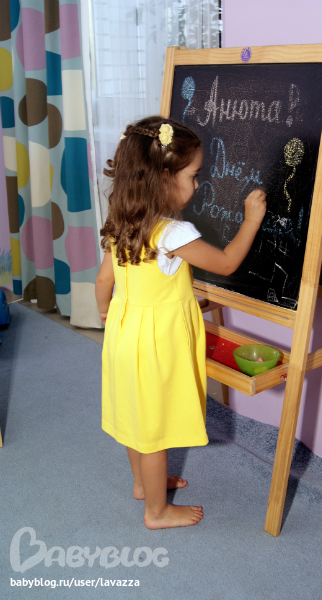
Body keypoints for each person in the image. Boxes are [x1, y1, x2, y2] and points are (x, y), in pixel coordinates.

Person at [95, 116, 266, 530]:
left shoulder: (123, 221)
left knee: (137, 418)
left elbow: (103, 282)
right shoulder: (172, 233)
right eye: (193, 175)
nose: (197, 184)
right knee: (154, 429)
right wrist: (251, 219)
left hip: (124, 334)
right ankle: (157, 511)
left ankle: (144, 484)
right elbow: (225, 263)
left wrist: (105, 314)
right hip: (157, 344)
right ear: (164, 179)